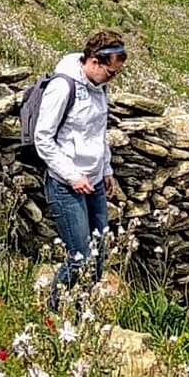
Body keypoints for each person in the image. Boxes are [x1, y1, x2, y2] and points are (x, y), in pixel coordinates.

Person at [37, 34, 127, 311]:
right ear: (93, 61)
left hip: (95, 181)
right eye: (110, 72)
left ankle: (80, 312)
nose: (112, 78)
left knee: (98, 254)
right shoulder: (63, 87)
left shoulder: (100, 87)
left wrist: (106, 168)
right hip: (66, 184)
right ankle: (51, 310)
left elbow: (99, 132)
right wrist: (72, 175)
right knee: (80, 255)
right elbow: (43, 138)